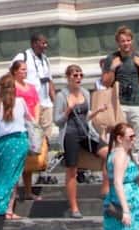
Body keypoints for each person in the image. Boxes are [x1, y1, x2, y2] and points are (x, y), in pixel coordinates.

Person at [0, 75, 32, 220]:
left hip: (1, 144)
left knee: (1, 176)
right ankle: (8, 209)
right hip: (18, 142)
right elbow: (30, 119)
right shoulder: (21, 102)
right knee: (13, 177)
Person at [54, 64, 102, 218]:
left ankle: (106, 190)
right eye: (75, 75)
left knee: (108, 153)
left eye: (81, 75)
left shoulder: (85, 93)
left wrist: (97, 112)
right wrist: (68, 110)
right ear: (68, 77)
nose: (79, 78)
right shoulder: (62, 95)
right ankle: (74, 207)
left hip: (86, 133)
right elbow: (57, 121)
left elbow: (86, 117)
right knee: (72, 170)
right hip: (70, 134)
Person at [101, 26, 139, 162]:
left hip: (136, 103)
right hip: (119, 104)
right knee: (121, 137)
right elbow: (105, 83)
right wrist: (112, 69)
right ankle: (122, 165)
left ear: (132, 41)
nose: (126, 43)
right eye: (123, 41)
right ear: (118, 42)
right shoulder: (111, 58)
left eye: (128, 40)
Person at [10, 60, 48, 202]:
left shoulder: (31, 87)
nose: (25, 72)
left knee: (30, 158)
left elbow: (36, 102)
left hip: (32, 124)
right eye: (22, 70)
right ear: (15, 71)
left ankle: (28, 190)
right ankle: (13, 193)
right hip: (19, 124)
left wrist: (35, 119)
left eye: (26, 69)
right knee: (18, 159)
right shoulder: (12, 87)